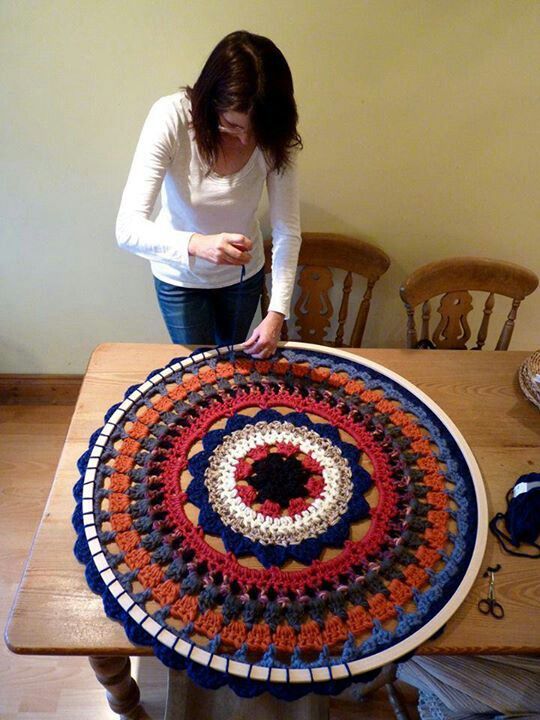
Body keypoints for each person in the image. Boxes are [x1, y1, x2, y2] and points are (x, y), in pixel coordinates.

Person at [116, 30, 302, 358]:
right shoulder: (171, 118)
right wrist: (197, 244)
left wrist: (276, 314)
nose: (246, 141)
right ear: (211, 102)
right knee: (197, 370)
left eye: (255, 130)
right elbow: (127, 230)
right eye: (233, 126)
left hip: (244, 279)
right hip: (179, 280)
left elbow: (287, 231)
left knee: (234, 366)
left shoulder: (275, 132)